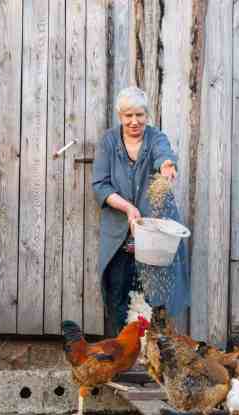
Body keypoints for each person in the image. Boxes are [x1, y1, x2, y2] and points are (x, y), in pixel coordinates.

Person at [92, 86, 190, 337]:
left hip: (154, 233)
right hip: (119, 234)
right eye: (128, 116)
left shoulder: (155, 138)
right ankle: (121, 357)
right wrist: (127, 207)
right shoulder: (109, 142)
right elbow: (100, 185)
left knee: (155, 298)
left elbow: (163, 154)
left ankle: (154, 357)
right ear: (119, 116)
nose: (134, 121)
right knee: (118, 295)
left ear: (147, 114)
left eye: (139, 115)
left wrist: (167, 166)